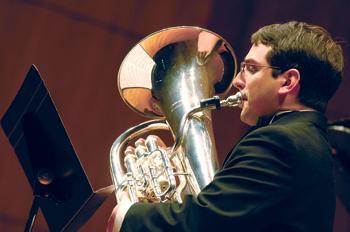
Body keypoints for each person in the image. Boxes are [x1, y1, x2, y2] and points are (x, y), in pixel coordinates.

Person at [107, 21, 344, 232]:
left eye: (250, 68)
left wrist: (128, 216)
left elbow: (208, 221)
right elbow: (235, 213)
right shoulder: (307, 140)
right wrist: (178, 171)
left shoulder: (279, 142)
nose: (237, 81)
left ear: (288, 81)